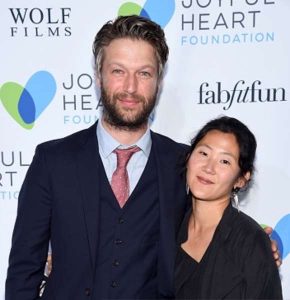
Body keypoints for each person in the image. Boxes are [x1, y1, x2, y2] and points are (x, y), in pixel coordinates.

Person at [5, 16, 280, 300]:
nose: (131, 87)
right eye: (118, 71)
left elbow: (209, 223)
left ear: (158, 81)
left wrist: (258, 244)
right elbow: (24, 270)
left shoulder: (183, 163)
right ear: (99, 77)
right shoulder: (53, 161)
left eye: (144, 73)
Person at [175, 116, 283, 299]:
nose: (209, 168)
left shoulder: (251, 243)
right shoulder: (169, 223)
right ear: (188, 157)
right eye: (203, 153)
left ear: (241, 179)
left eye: (224, 161)